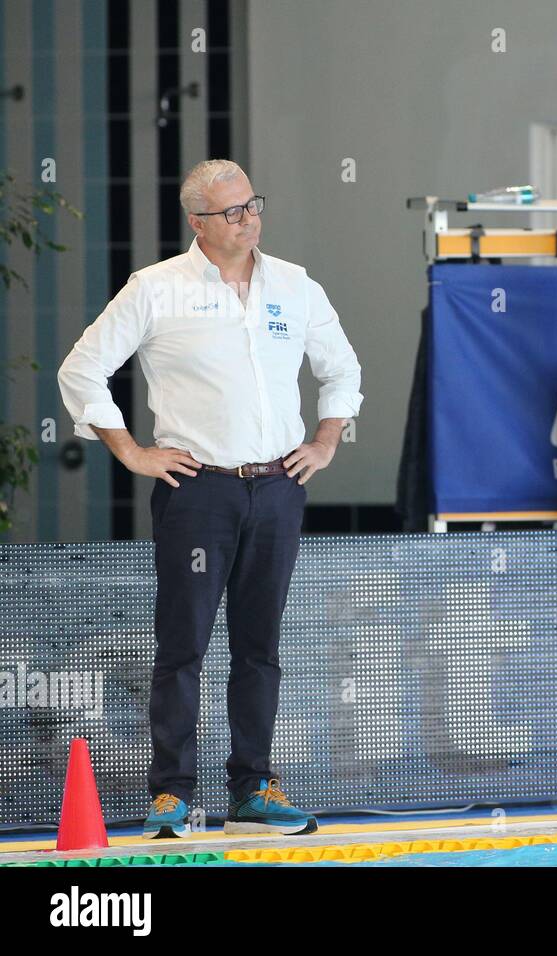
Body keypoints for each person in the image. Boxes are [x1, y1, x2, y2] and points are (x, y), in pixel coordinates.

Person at [57, 159, 363, 835]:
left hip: (278, 486)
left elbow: (342, 370)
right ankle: (171, 794)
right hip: (197, 491)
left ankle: (252, 789)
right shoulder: (157, 288)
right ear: (198, 222)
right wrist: (133, 452)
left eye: (253, 204)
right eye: (232, 211)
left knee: (260, 646)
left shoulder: (294, 285)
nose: (249, 218)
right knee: (183, 645)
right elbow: (81, 369)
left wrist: (325, 441)